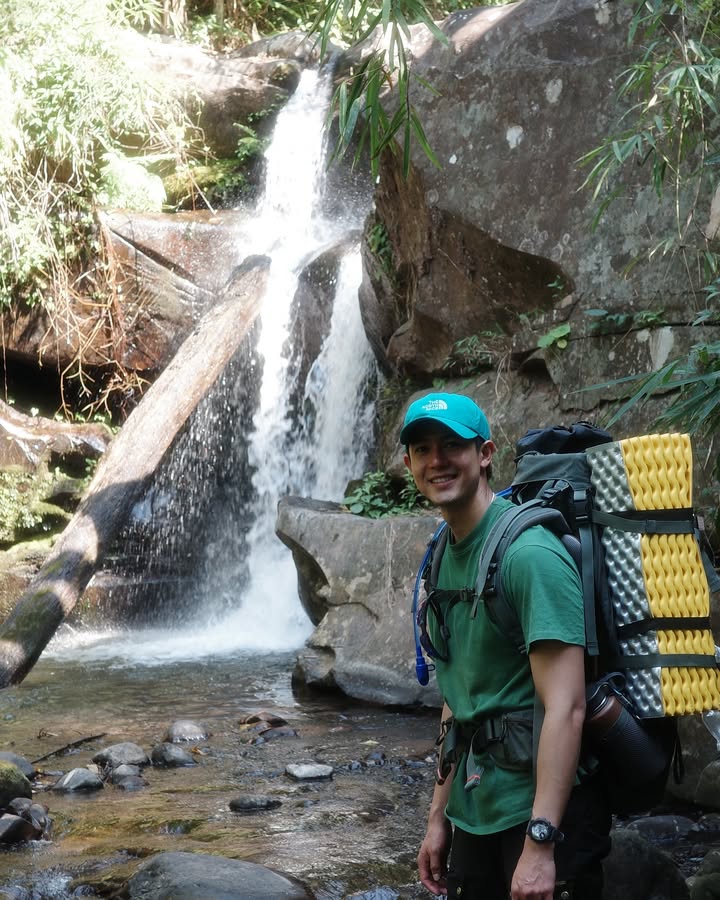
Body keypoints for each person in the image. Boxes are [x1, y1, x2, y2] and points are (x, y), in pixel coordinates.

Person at [402, 392, 612, 900]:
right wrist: (438, 818)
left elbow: (568, 706)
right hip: (475, 812)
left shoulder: (529, 555)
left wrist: (540, 845)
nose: (437, 461)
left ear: (486, 454)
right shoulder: (441, 555)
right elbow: (458, 696)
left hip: (540, 817)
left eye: (453, 445)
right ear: (408, 463)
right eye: (423, 449)